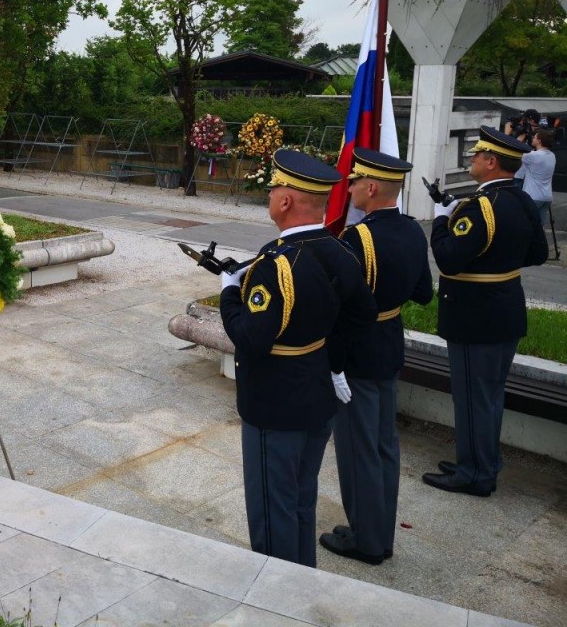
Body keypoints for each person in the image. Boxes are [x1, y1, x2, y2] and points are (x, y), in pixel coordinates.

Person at [219, 149, 377, 567]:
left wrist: (229, 292)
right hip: (316, 391)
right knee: (301, 500)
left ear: (286, 200)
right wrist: (332, 360)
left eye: (274, 189)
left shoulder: (276, 264)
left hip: (276, 404)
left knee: (273, 512)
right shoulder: (339, 249)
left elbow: (250, 338)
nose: (271, 195)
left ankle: (276, 591)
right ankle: (303, 578)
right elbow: (362, 314)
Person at [319, 149, 433, 566]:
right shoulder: (413, 229)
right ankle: (381, 534)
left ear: (370, 187)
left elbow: (341, 309)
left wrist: (334, 364)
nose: (348, 188)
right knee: (385, 446)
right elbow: (423, 293)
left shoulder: (358, 238)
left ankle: (366, 541)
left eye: (354, 182)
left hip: (358, 353)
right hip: (389, 344)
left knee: (359, 449)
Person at [424, 125, 547, 497]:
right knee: (489, 395)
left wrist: (441, 218)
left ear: (491, 162)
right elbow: (538, 254)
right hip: (505, 309)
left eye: (477, 155)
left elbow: (448, 259)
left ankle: (474, 473)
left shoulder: (481, 207)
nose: (473, 160)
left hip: (474, 317)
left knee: (472, 398)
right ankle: (482, 462)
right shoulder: (521, 200)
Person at [515, 129, 555, 228]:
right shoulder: (552, 155)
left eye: (534, 137)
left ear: (539, 141)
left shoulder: (533, 156)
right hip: (547, 197)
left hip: (533, 197)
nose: (532, 138)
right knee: (539, 228)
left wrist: (519, 140)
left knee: (525, 226)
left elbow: (515, 153)